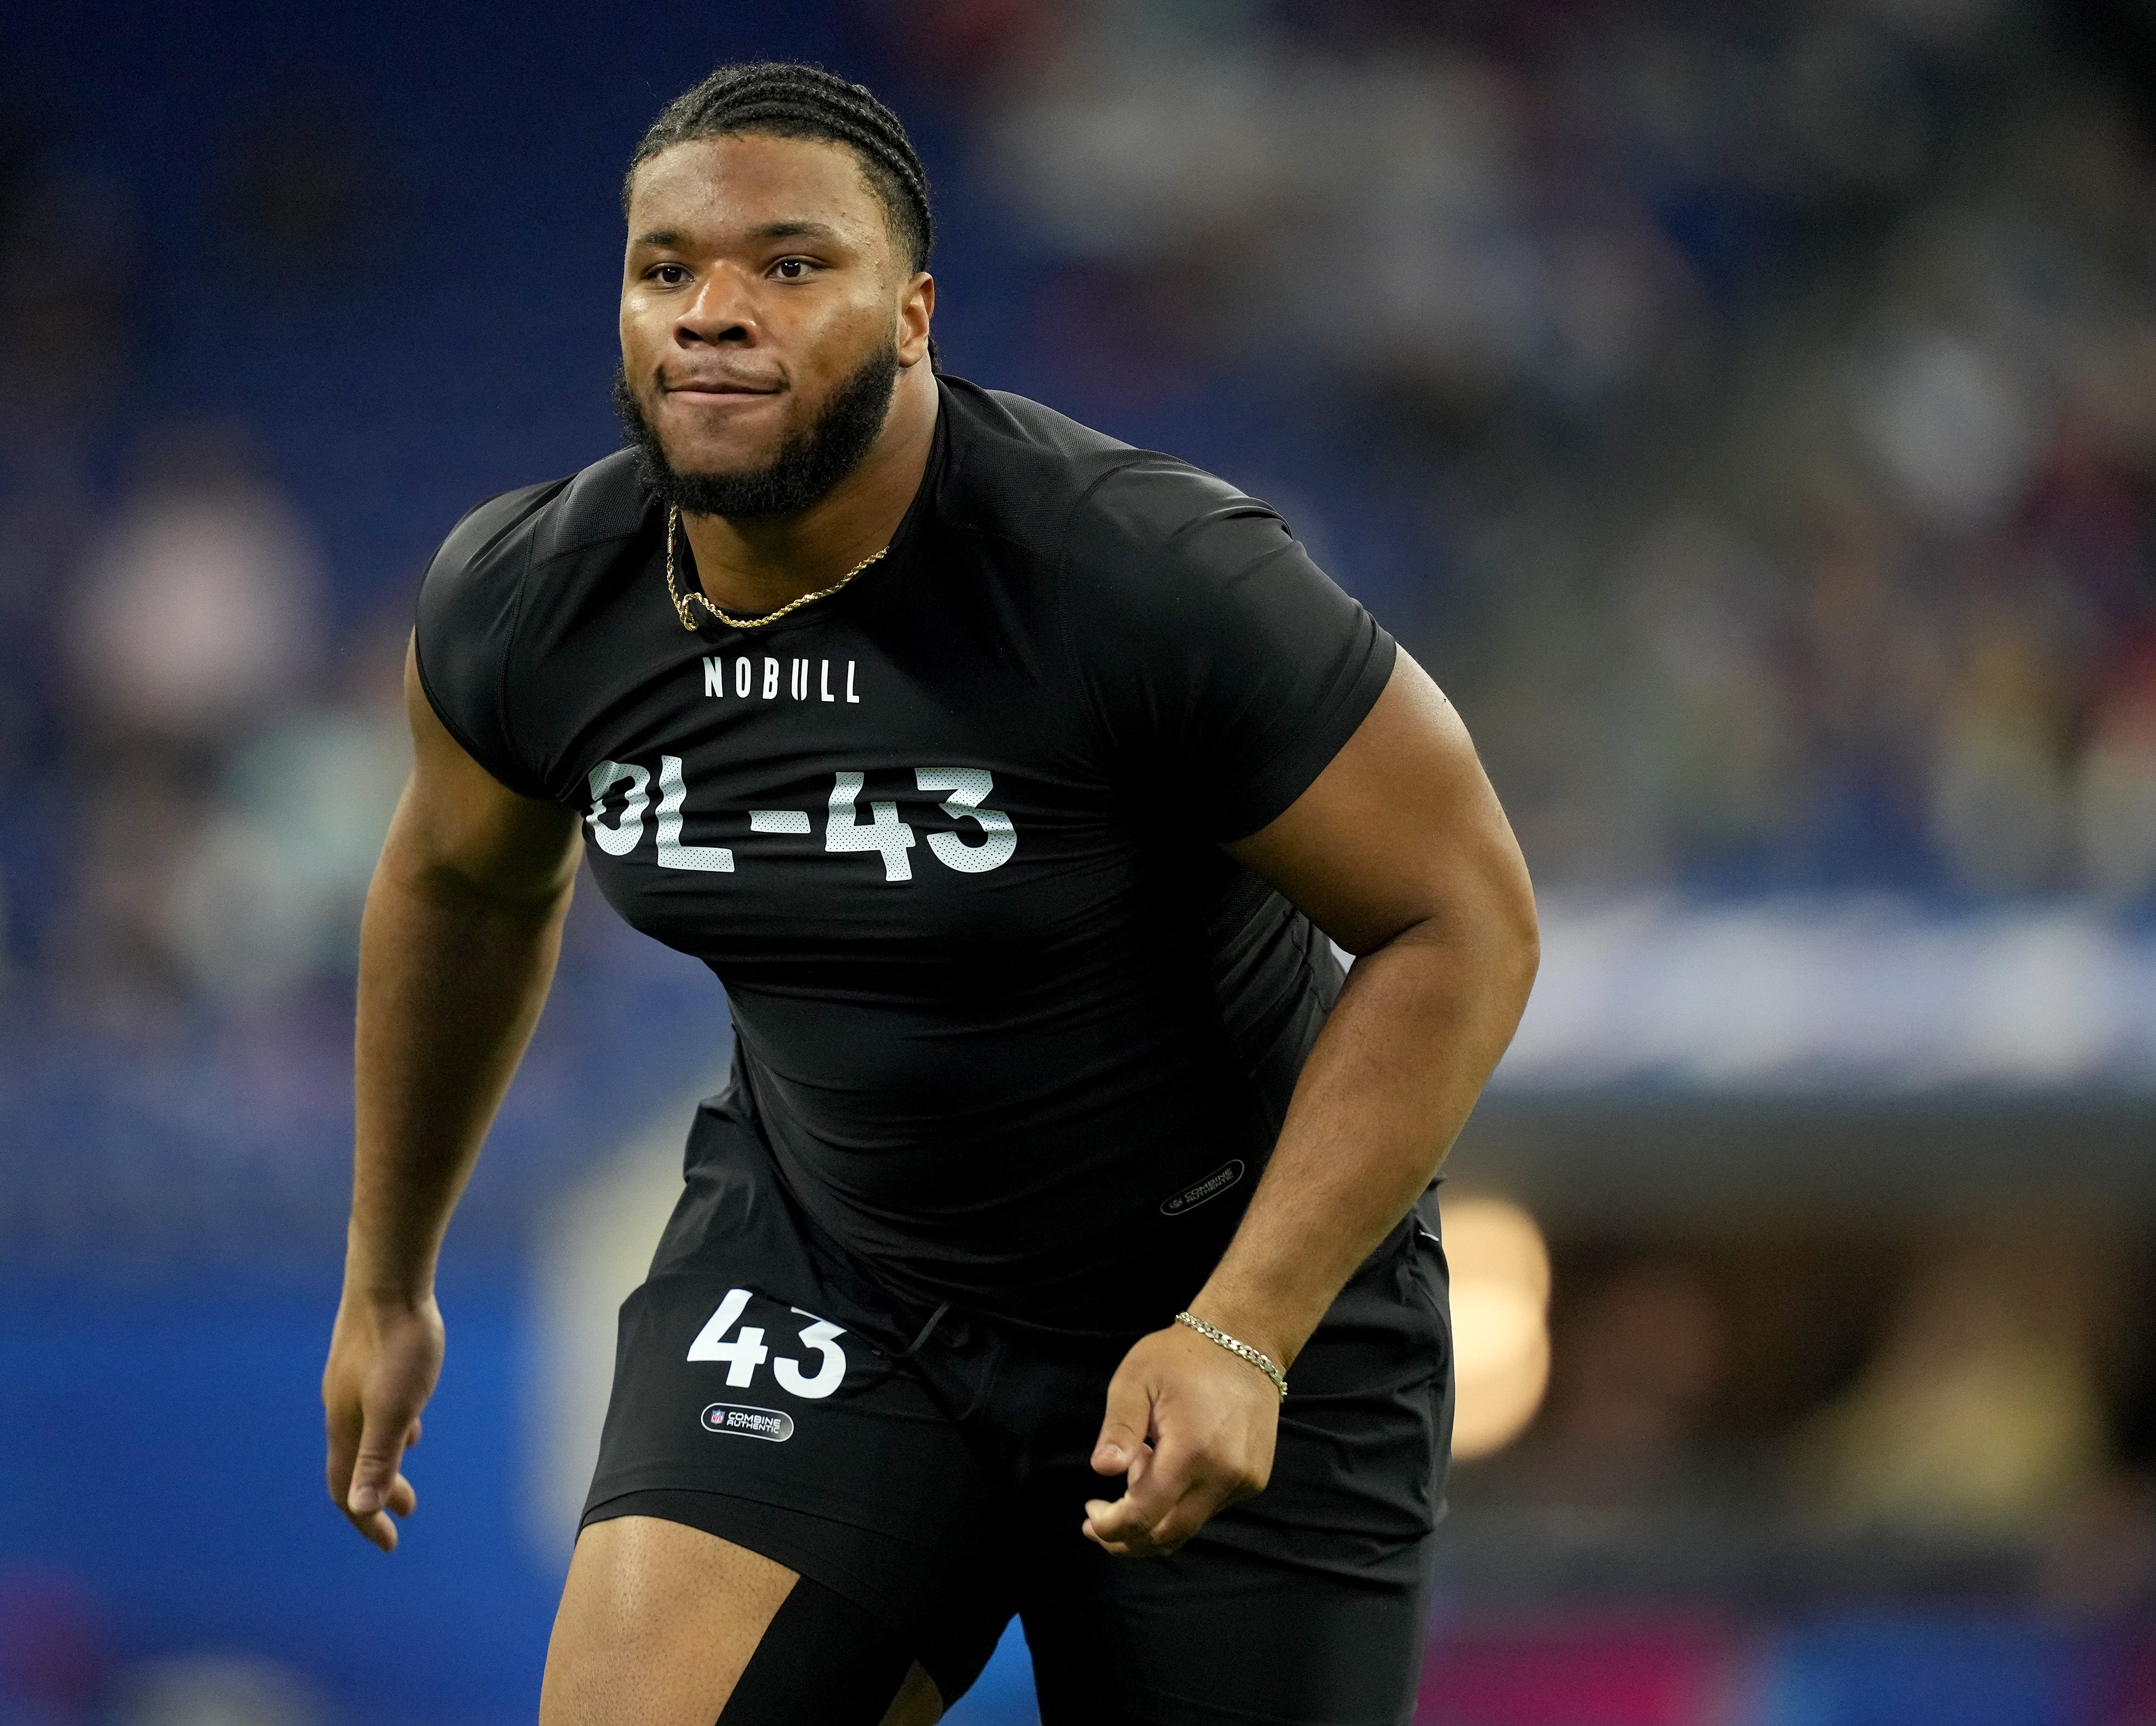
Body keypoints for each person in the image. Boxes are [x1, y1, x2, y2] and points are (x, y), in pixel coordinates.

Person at [322, 61, 1538, 1726]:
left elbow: (1463, 914)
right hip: (831, 1275)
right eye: (666, 269)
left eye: (789, 265)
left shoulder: (1145, 577)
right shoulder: (530, 603)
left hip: (1231, 1289)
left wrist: (1247, 1328)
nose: (713, 314)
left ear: (913, 315)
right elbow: (457, 891)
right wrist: (389, 1279)